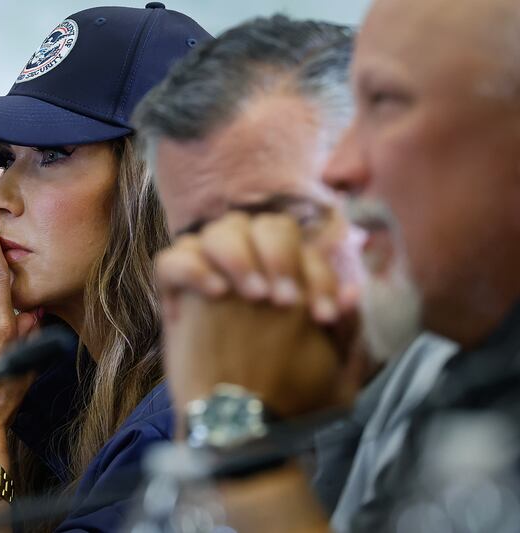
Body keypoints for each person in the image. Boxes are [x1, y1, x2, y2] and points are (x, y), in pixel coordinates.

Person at [145, 0, 520, 530]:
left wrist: (241, 444)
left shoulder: (468, 371)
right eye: (204, 246)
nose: (236, 275)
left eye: (285, 221)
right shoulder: (261, 382)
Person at [0, 4, 212, 531]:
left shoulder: (182, 428)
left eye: (52, 155)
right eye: (5, 159)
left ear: (158, 186)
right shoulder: (45, 387)